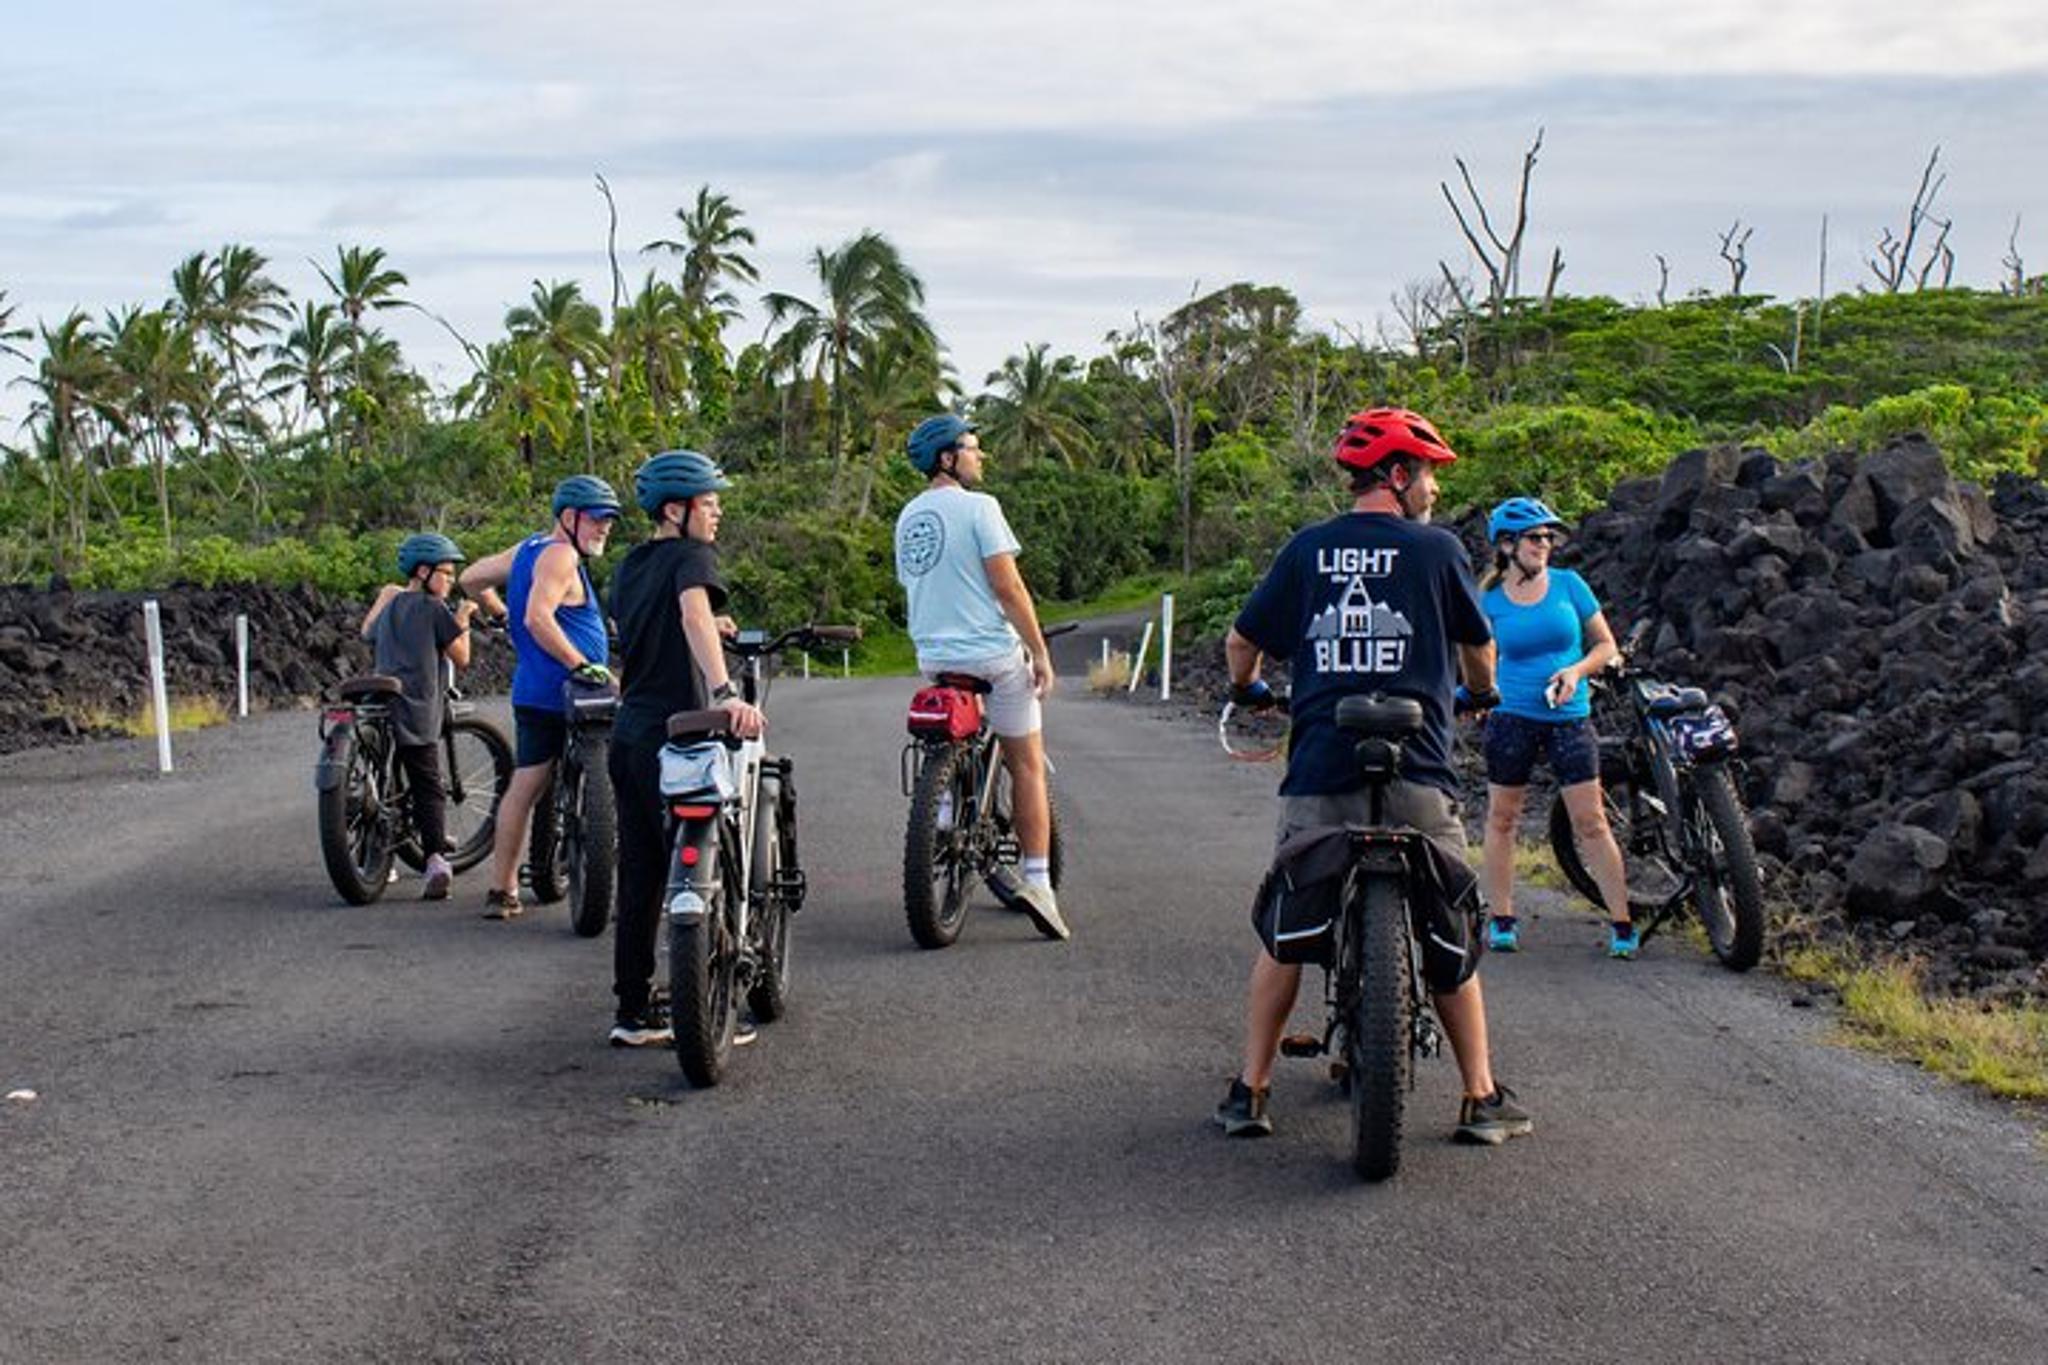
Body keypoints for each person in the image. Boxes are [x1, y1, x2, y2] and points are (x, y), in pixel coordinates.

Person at [1215, 406, 1531, 1147]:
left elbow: (1241, 643)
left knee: (1287, 931)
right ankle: (1480, 1096)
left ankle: (1250, 1090)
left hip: (1322, 767)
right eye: (1426, 476)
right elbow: (1478, 651)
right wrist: (1479, 697)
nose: (1432, 491)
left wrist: (1248, 690)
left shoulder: (1307, 549)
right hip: (1420, 768)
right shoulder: (1438, 550)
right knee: (1449, 925)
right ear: (1397, 475)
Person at [604, 449, 763, 1047]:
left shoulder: (631, 564)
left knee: (641, 875)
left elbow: (660, 622)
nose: (717, 513)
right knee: (702, 863)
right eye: (709, 503)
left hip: (631, 734)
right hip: (683, 735)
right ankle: (708, 1000)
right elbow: (693, 613)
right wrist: (724, 692)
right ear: (677, 509)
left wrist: (708, 628)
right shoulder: (693, 556)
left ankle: (632, 1011)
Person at [894, 414, 1067, 941]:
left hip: (934, 656)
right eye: (972, 448)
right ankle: (1038, 882)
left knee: (955, 736)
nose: (980, 456)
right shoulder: (980, 508)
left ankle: (946, 810)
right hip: (991, 655)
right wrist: (1038, 652)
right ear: (948, 458)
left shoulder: (907, 516)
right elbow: (1009, 587)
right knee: (1027, 765)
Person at [1475, 497, 1634, 957]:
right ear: (1507, 544)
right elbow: (1474, 656)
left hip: (1570, 717)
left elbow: (1606, 646)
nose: (1544, 544)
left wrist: (1576, 672)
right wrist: (1480, 694)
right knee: (1503, 819)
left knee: (1592, 821)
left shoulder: (1570, 585)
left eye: (1548, 537)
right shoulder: (1488, 599)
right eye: (1534, 537)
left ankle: (1622, 923)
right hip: (1511, 718)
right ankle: (1502, 919)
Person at [459, 475, 622, 918]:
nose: (605, 527)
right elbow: (537, 618)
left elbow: (471, 578)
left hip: (531, 689)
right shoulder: (563, 556)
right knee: (619, 770)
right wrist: (580, 663)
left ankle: (502, 889)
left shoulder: (527, 550)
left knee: (525, 785)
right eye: (596, 519)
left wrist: (498, 612)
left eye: (609, 519)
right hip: (572, 693)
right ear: (568, 518)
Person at [360, 533, 479, 901]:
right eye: (446, 572)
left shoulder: (392, 603)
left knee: (381, 776)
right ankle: (435, 862)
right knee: (427, 783)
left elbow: (367, 632)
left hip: (379, 700)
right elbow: (461, 658)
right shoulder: (433, 608)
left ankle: (375, 856)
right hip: (417, 703)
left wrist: (387, 594)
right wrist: (464, 617)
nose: (450, 580)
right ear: (424, 572)